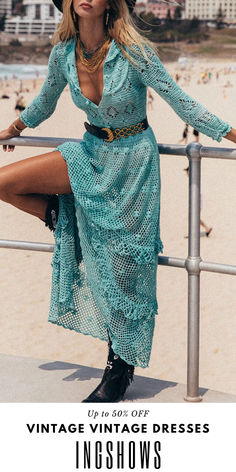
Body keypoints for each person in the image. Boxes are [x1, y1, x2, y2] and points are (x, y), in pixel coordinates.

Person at [0, 0, 235, 403]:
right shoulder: (63, 53)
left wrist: (232, 134)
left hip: (133, 163)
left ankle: (119, 368)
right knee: (6, 182)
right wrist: (12, 128)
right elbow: (44, 101)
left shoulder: (134, 50)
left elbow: (181, 101)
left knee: (124, 269)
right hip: (89, 152)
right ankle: (61, 215)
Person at [184, 167, 212, 237]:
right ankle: (206, 228)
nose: (186, 173)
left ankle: (202, 229)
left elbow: (197, 191)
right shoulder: (193, 178)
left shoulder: (193, 179)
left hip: (197, 201)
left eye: (187, 171)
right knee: (194, 217)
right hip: (197, 200)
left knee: (193, 217)